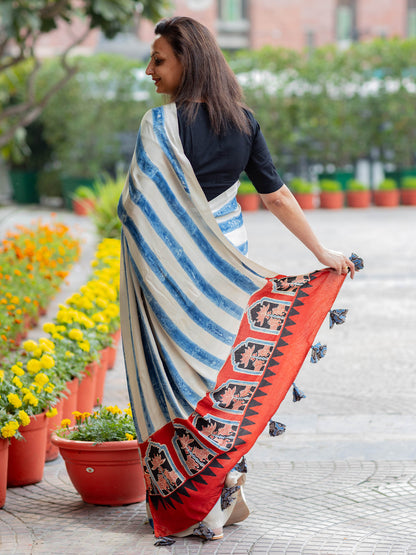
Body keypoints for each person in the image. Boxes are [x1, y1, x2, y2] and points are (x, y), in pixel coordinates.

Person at [118, 16, 357, 544]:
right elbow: (275, 195)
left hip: (168, 280)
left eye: (159, 59)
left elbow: (136, 210)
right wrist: (322, 252)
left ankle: (204, 501)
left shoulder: (157, 126)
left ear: (188, 60)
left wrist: (157, 246)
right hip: (227, 271)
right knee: (217, 382)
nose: (150, 70)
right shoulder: (242, 121)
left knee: (178, 386)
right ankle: (226, 486)